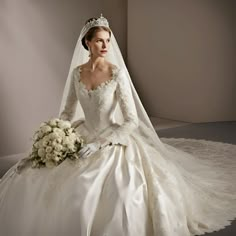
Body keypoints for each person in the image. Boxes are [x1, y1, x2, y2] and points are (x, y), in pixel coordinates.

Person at [0, 14, 236, 236]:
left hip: (112, 137)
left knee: (115, 189)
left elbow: (131, 120)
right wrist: (55, 136)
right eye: (100, 41)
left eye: (108, 41)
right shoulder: (76, 73)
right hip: (82, 135)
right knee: (41, 177)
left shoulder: (116, 73)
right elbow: (67, 113)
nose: (105, 46)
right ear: (87, 43)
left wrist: (102, 142)